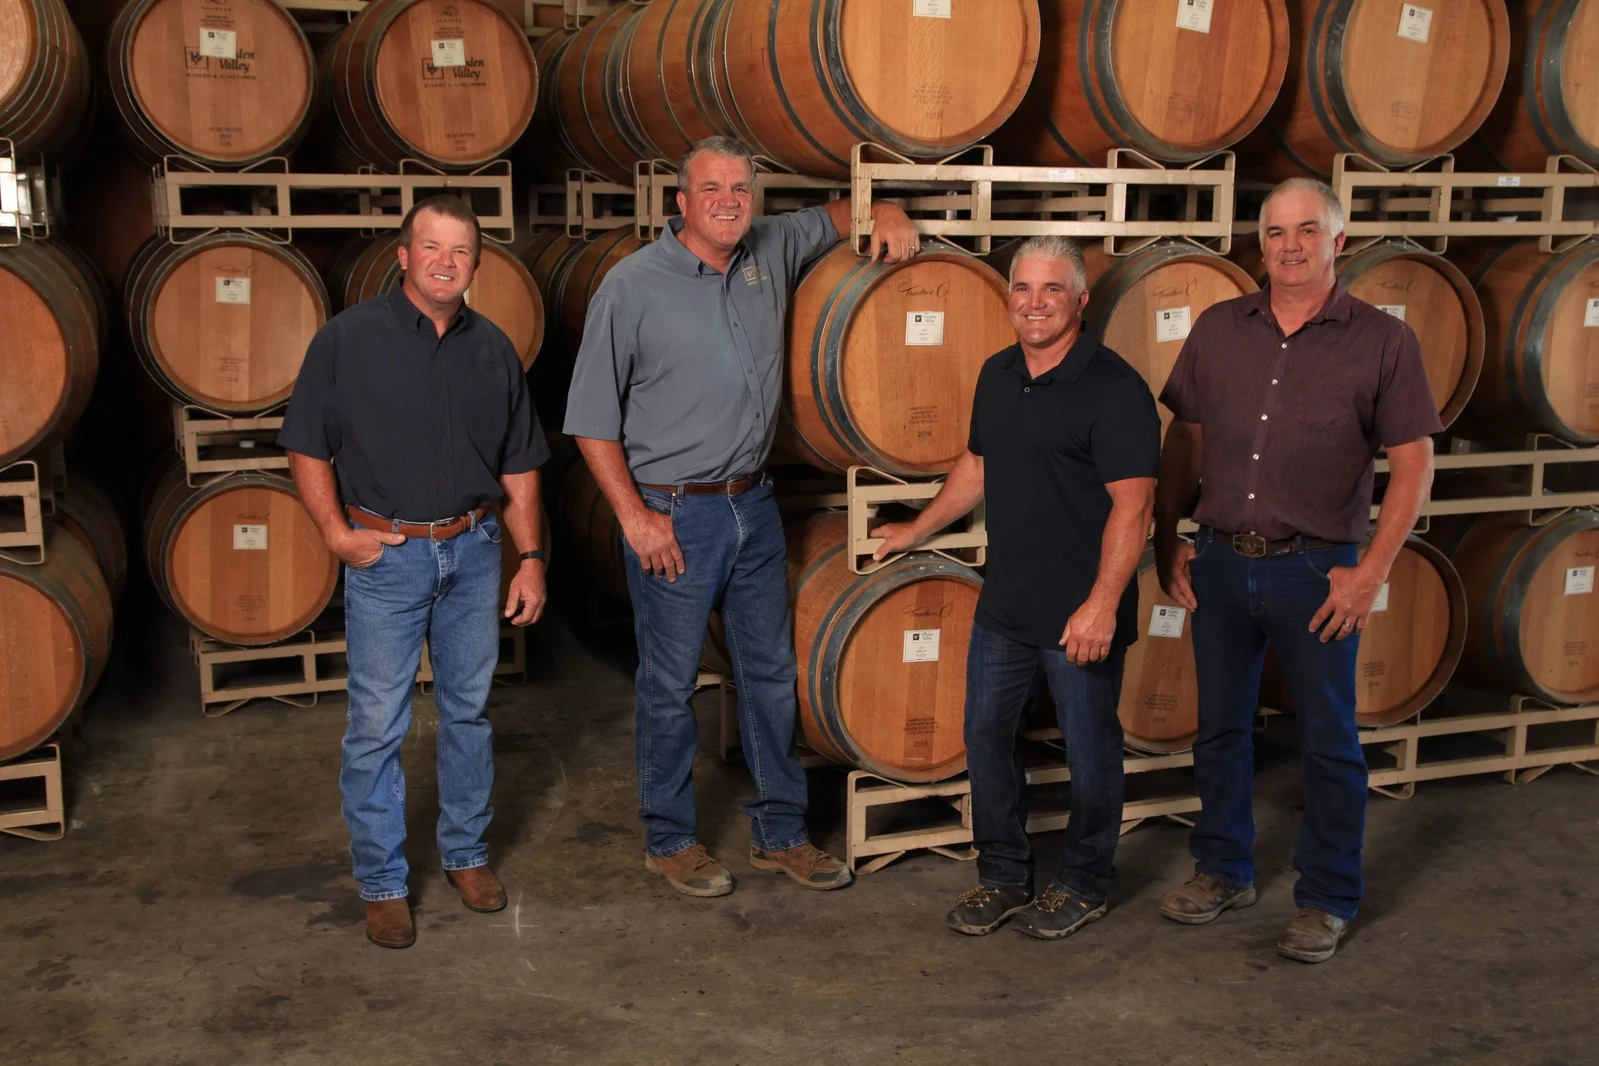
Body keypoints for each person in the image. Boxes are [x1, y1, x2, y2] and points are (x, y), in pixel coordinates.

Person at [563, 135, 919, 897]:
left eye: (739, 188)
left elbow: (834, 212)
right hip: (672, 515)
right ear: (680, 202)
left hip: (753, 507)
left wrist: (883, 205)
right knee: (667, 683)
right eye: (712, 188)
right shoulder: (631, 286)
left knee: (766, 674)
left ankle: (781, 835)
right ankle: (670, 840)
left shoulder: (769, 248)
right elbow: (591, 421)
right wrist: (633, 517)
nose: (728, 200)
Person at [1153, 177, 1439, 963]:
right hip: (1216, 562)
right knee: (1218, 731)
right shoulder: (1218, 329)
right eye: (1276, 232)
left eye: (1307, 230)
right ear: (1260, 243)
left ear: (1337, 241)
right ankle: (1221, 868)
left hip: (1316, 573)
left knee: (1328, 741)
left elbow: (1413, 465)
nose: (1290, 246)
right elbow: (1186, 441)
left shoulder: (1383, 340)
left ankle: (1326, 896)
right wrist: (1162, 539)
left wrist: (1370, 570)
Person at [279, 194, 550, 949]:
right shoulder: (346, 340)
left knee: (467, 714)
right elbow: (305, 442)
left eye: (460, 251)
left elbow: (520, 466)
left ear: (477, 264)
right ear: (403, 255)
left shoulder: (493, 348)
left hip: (472, 553)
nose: (444, 262)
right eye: (430, 247)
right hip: (387, 556)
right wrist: (336, 534)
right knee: (375, 728)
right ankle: (383, 883)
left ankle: (465, 855)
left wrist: (529, 561)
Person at [871, 235, 1160, 940]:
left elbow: (1135, 507)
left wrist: (1099, 604)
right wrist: (918, 527)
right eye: (1023, 289)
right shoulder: (998, 374)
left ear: (1080, 300)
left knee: (1091, 754)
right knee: (986, 738)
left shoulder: (1115, 389)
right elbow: (975, 465)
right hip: (1004, 604)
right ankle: (1001, 875)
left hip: (1077, 615)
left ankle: (1085, 883)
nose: (1034, 303)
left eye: (1051, 289)